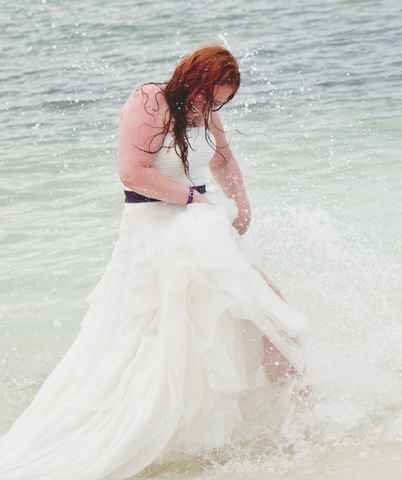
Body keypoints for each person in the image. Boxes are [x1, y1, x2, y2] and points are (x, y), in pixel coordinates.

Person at [0, 45, 308, 479]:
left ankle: (295, 420)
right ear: (192, 79)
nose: (211, 106)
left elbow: (223, 159)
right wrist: (193, 199)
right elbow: (132, 172)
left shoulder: (207, 115)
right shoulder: (150, 101)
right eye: (208, 97)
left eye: (220, 101)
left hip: (200, 224)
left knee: (260, 313)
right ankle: (149, 428)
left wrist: (242, 204)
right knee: (171, 335)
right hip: (156, 227)